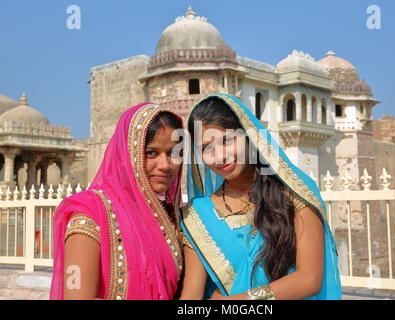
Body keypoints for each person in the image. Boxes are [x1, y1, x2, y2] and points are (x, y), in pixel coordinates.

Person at [179, 94, 342, 300]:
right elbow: (191, 296)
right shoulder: (197, 215)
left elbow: (309, 279)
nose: (219, 156)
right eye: (206, 148)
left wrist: (235, 302)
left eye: (228, 140)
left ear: (250, 136)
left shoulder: (295, 194)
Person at [50, 103, 184, 300]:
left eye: (173, 153)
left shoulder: (172, 218)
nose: (165, 165)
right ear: (127, 154)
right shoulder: (91, 213)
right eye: (151, 153)